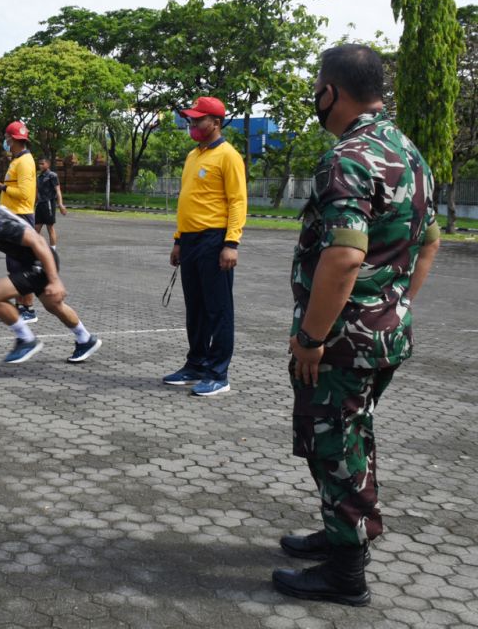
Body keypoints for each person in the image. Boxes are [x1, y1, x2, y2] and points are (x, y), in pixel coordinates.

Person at [272, 44, 440, 607]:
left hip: (340, 341)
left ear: (331, 92)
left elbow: (343, 257)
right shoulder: (408, 154)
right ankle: (341, 534)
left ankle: (345, 573)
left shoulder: (349, 157)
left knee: (336, 447)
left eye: (317, 88)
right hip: (384, 334)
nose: (314, 98)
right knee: (352, 438)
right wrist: (394, 304)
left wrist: (312, 337)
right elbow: (431, 242)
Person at [0, 177, 101, 364]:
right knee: (54, 306)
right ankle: (85, 339)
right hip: (33, 263)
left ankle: (26, 340)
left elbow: (38, 241)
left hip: (39, 262)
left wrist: (55, 280)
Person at [163, 96, 247, 397]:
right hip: (190, 240)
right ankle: (196, 364)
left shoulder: (228, 156)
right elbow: (188, 202)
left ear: (216, 122)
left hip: (215, 239)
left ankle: (218, 373)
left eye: (198, 119)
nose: (193, 124)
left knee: (218, 310)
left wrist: (231, 243)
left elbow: (238, 201)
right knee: (196, 308)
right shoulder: (193, 156)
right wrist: (178, 240)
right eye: (191, 119)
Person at [0, 121, 38, 323]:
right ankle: (19, 307)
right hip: (13, 216)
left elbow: (24, 194)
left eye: (6, 138)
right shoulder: (17, 160)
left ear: (13, 140)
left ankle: (28, 309)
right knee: (15, 267)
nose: (5, 142)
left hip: (21, 216)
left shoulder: (24, 162)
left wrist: (1, 187)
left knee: (23, 266)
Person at [34, 158, 67, 248]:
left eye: (42, 163)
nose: (40, 165)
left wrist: (60, 204)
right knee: (36, 228)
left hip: (48, 204)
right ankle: (37, 249)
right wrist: (33, 204)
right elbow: (36, 192)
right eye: (39, 163)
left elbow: (58, 190)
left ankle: (53, 250)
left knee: (50, 228)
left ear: (48, 164)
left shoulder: (52, 175)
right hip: (40, 205)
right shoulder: (38, 177)